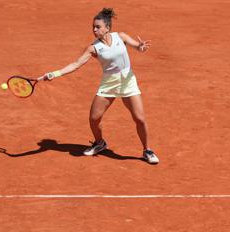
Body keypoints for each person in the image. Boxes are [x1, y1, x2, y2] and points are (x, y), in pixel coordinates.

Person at [37, 8, 159, 164]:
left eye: (98, 27)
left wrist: (140, 47)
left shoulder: (120, 36)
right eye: (93, 27)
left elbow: (136, 46)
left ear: (107, 28)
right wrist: (56, 73)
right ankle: (100, 142)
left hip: (128, 83)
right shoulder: (93, 48)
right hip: (109, 85)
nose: (94, 30)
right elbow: (76, 64)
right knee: (94, 119)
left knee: (140, 119)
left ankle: (147, 150)